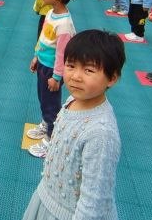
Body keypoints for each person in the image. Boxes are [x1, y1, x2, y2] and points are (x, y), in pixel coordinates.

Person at [22, 29, 125, 220]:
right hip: (48, 198)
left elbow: (93, 203)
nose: (76, 76)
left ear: (112, 78)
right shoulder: (73, 100)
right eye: (70, 65)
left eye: (89, 70)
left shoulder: (101, 134)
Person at [26, 0, 77, 158]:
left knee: (51, 105)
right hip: (43, 64)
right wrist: (36, 56)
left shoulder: (64, 24)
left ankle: (51, 140)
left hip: (52, 71)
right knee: (43, 98)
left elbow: (63, 55)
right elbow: (43, 38)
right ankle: (46, 125)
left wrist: (56, 77)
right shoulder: (50, 14)